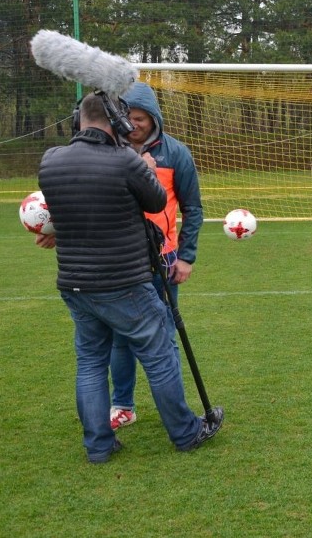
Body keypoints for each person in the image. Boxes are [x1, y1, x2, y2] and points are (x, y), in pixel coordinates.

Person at [37, 93, 222, 463]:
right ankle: (186, 433)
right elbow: (154, 202)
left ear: (78, 120)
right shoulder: (126, 160)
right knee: (159, 354)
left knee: (90, 361)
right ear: (116, 122)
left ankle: (99, 446)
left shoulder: (50, 160)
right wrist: (148, 170)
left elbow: (67, 206)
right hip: (123, 281)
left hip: (74, 284)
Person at [108, 82, 204, 431]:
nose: (134, 125)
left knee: (165, 333)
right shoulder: (111, 150)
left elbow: (193, 208)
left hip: (163, 260)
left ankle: (176, 409)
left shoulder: (176, 153)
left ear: (153, 117)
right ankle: (122, 405)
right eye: (128, 118)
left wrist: (187, 257)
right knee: (122, 337)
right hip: (120, 260)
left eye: (140, 118)